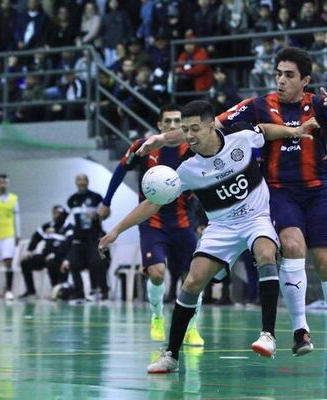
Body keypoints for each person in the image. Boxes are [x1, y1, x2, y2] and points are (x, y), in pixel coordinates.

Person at [136, 47, 327, 370]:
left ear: (306, 80)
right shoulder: (258, 106)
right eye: (278, 73)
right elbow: (206, 124)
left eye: (289, 75)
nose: (281, 80)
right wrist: (163, 139)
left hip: (319, 190)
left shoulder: (317, 103)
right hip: (279, 192)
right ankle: (300, 330)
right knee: (290, 245)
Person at [98, 100, 315, 373]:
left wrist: (292, 132)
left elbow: (264, 130)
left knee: (265, 253)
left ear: (211, 126)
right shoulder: (187, 168)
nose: (189, 135)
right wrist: (116, 230)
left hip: (256, 219)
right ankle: (171, 355)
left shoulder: (240, 137)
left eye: (194, 129)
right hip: (222, 227)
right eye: (185, 130)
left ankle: (267, 335)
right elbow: (151, 204)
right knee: (192, 281)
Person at [98, 104, 204, 346]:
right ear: (160, 126)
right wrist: (106, 202)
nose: (173, 126)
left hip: (182, 220)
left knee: (194, 275)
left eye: (178, 122)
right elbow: (121, 169)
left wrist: (205, 221)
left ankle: (191, 327)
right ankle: (157, 316)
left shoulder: (193, 148)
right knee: (156, 273)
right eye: (168, 122)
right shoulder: (143, 146)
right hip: (151, 221)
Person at [61, 174, 109, 303]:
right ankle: (79, 294)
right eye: (79, 180)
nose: (81, 182)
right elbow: (68, 219)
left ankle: (102, 292)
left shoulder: (96, 197)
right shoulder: (72, 200)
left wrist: (97, 214)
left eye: (84, 180)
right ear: (76, 182)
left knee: (97, 262)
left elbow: (106, 213)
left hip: (94, 237)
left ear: (87, 182)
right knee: (74, 264)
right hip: (78, 238)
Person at [19, 206, 72, 299]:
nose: (55, 215)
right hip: (45, 255)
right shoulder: (48, 226)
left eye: (58, 213)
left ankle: (56, 290)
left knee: (51, 263)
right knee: (25, 263)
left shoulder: (68, 227)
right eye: (54, 213)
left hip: (60, 257)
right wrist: (29, 251)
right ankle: (31, 291)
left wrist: (55, 255)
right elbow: (36, 237)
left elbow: (69, 244)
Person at [0, 174, 21, 301]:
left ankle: (8, 290)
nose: (2, 184)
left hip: (8, 233)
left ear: (7, 183)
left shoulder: (13, 198)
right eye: (0, 182)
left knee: (8, 261)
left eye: (4, 182)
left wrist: (18, 234)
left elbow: (16, 216)